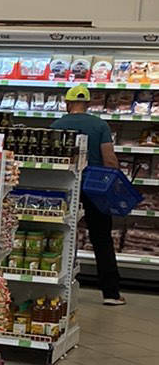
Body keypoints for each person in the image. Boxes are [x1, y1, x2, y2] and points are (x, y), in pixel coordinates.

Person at [56, 84, 126, 305]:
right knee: (101, 237)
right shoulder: (100, 125)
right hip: (96, 187)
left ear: (67, 103)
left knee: (63, 234)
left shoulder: (57, 125)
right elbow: (109, 159)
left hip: (66, 187)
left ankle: (58, 287)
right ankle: (111, 293)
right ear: (87, 104)